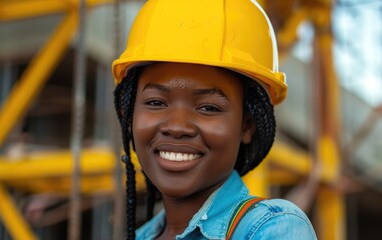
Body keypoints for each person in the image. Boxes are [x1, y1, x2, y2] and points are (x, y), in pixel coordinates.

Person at [112, 0, 317, 239]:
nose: (177, 126)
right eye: (156, 102)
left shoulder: (272, 228)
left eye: (208, 107)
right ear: (129, 116)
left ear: (246, 126)